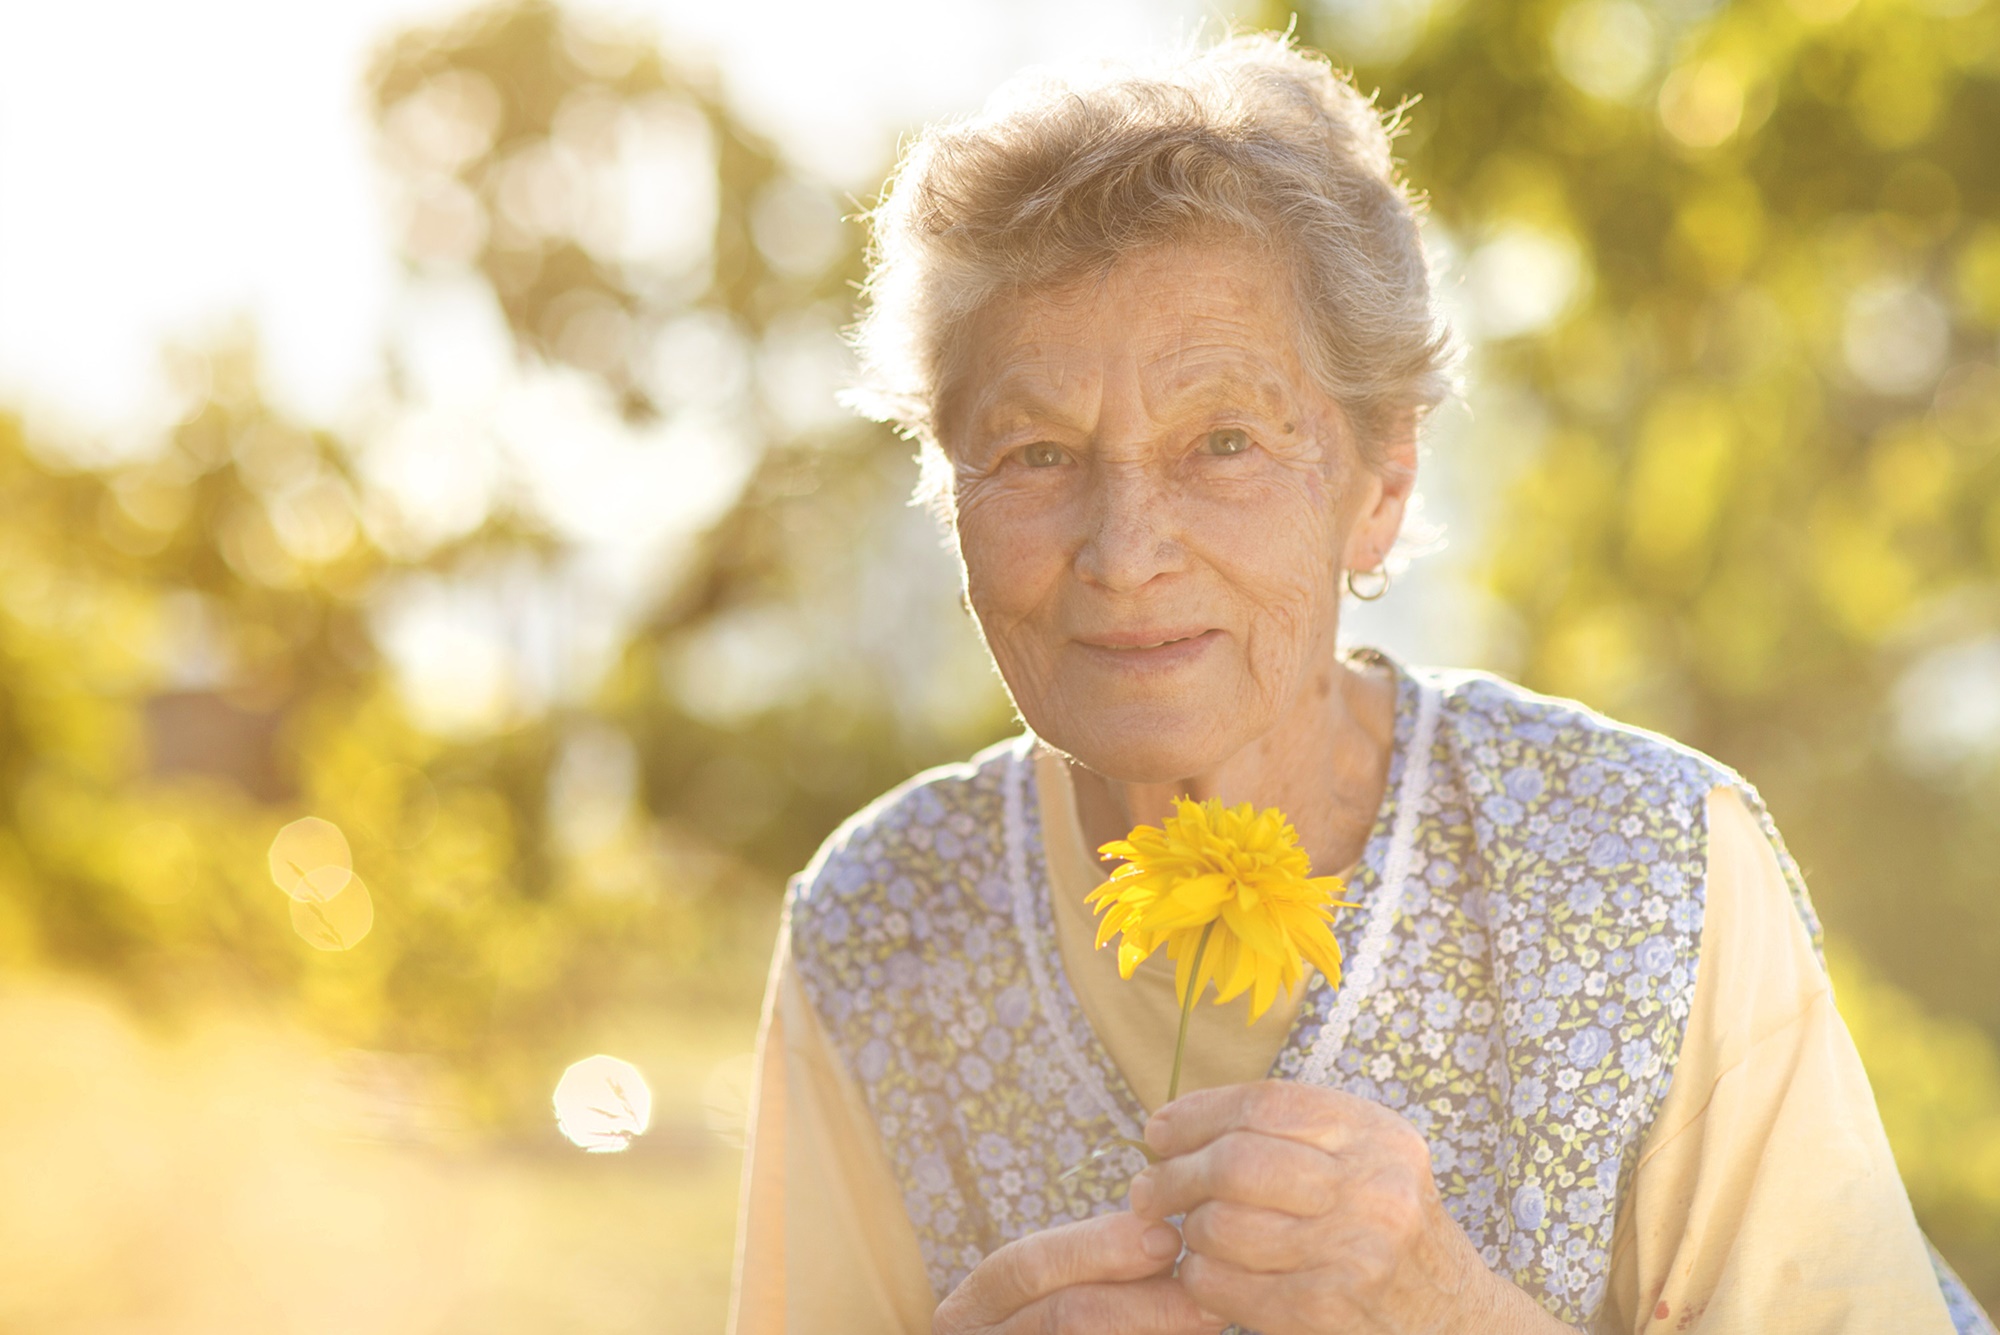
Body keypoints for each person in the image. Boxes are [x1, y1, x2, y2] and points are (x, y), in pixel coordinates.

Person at [728, 33, 1994, 1335]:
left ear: (1379, 488)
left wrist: (1455, 1318)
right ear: (952, 499)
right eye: (1037, 453)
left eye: (1223, 440)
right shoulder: (878, 925)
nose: (1124, 553)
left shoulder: (1652, 865)